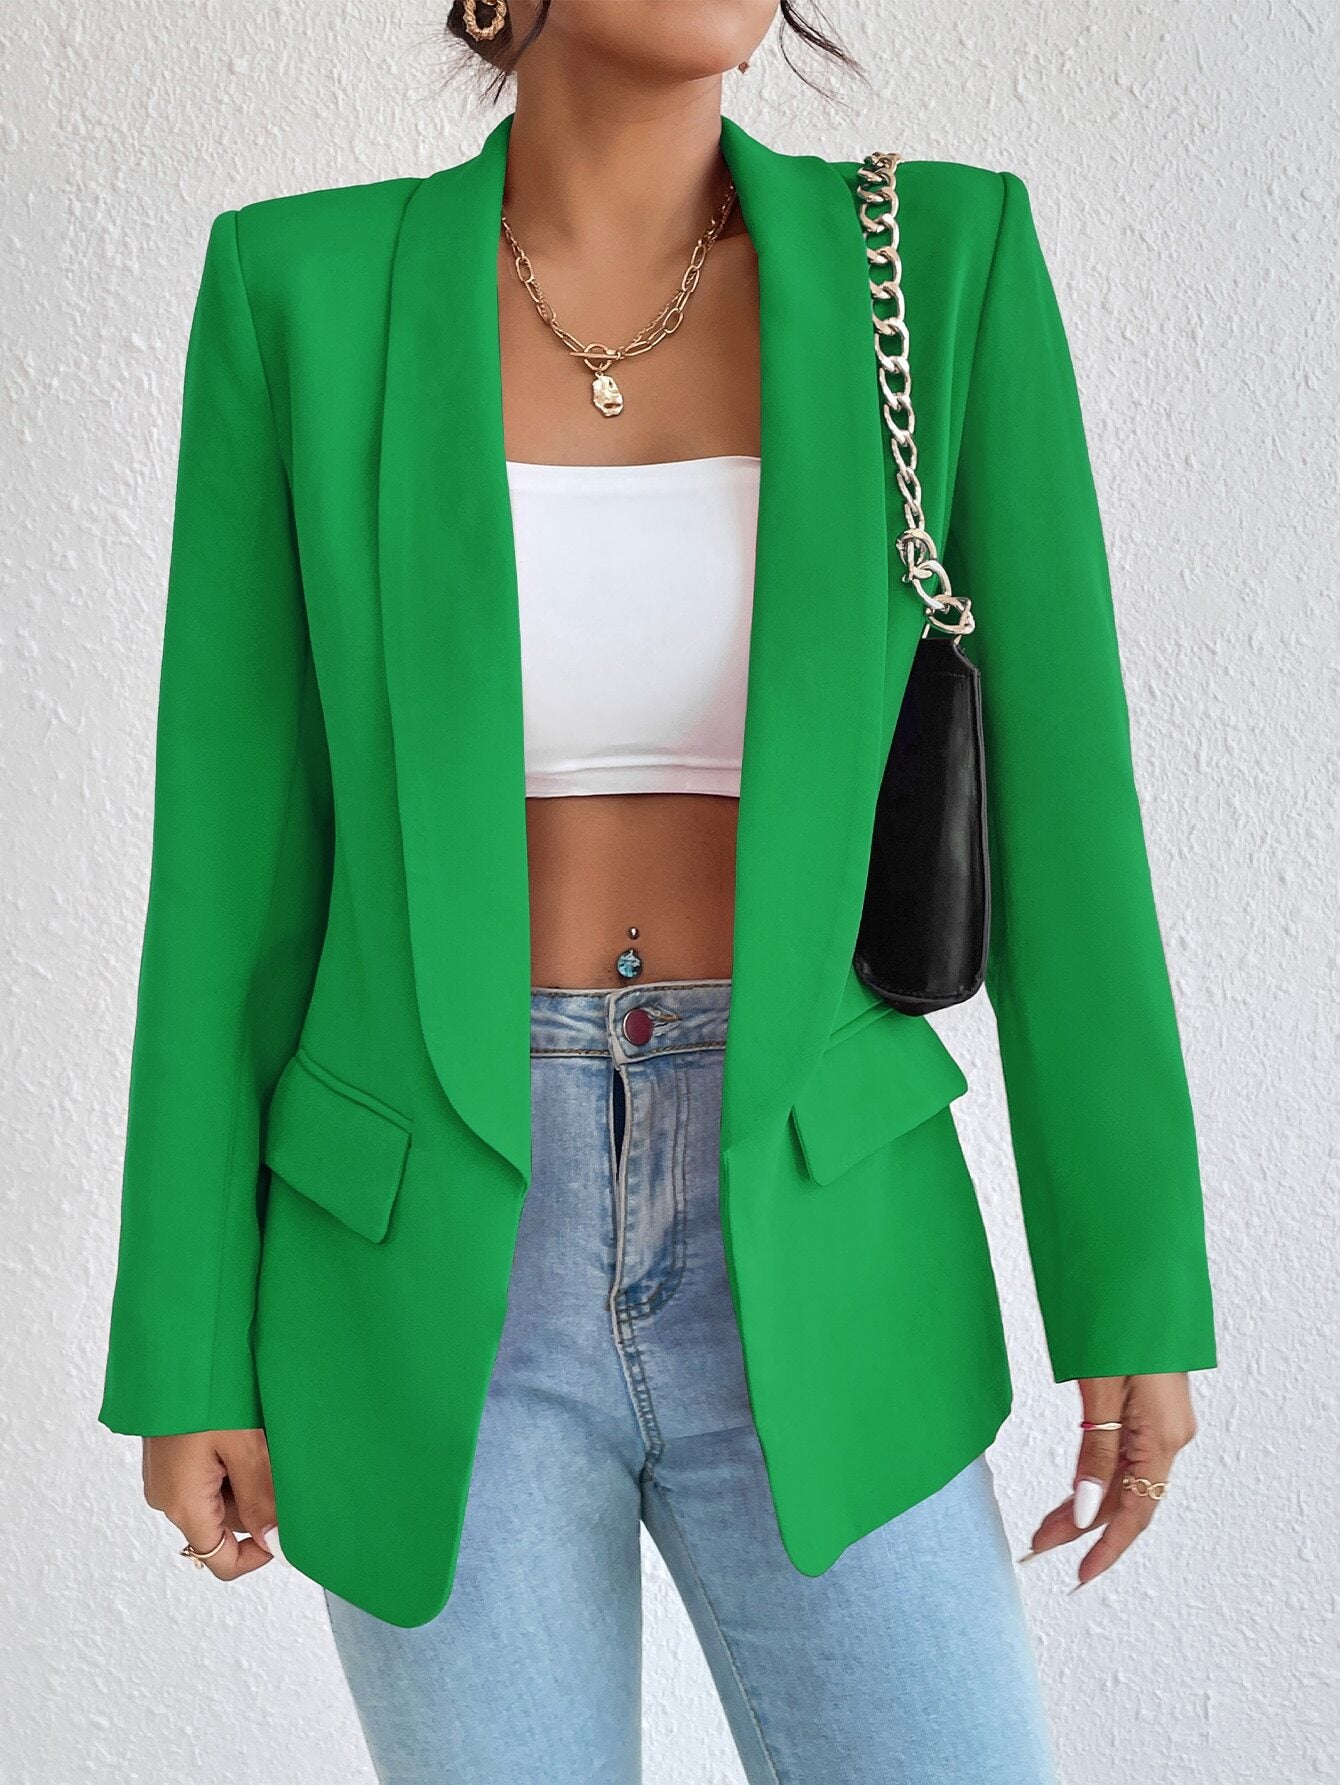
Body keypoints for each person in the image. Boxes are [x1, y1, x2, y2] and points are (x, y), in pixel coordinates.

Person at [97, 2, 1217, 1779]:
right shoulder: (298, 293)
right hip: (427, 1265)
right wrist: (185, 1344)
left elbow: (1072, 821)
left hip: (823, 1229)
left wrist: (1132, 1285)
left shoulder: (939, 264)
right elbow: (230, 868)